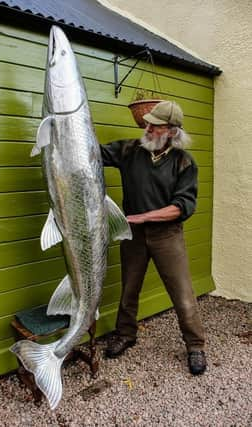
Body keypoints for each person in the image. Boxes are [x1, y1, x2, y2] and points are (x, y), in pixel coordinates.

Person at [100, 100, 207, 375]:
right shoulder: (129, 150)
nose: (146, 128)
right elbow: (93, 153)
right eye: (146, 122)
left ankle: (195, 346)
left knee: (182, 294)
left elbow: (181, 206)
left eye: (154, 125)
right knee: (129, 287)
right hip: (132, 235)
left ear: (171, 131)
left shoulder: (184, 162)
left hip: (166, 235)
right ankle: (125, 334)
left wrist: (143, 217)